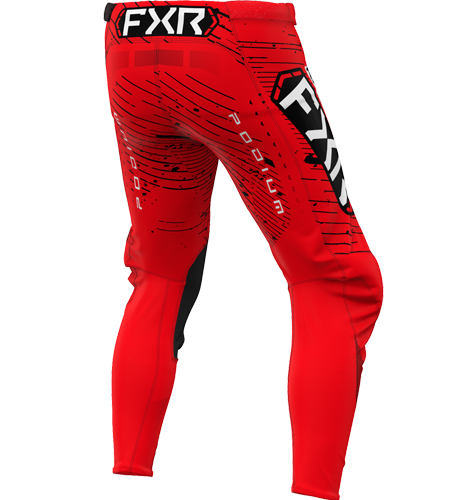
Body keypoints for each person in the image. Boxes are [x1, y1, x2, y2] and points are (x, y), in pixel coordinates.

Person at [103, 1, 384, 498]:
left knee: (161, 273)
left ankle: (125, 489)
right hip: (238, 42)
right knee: (334, 279)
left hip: (130, 43)